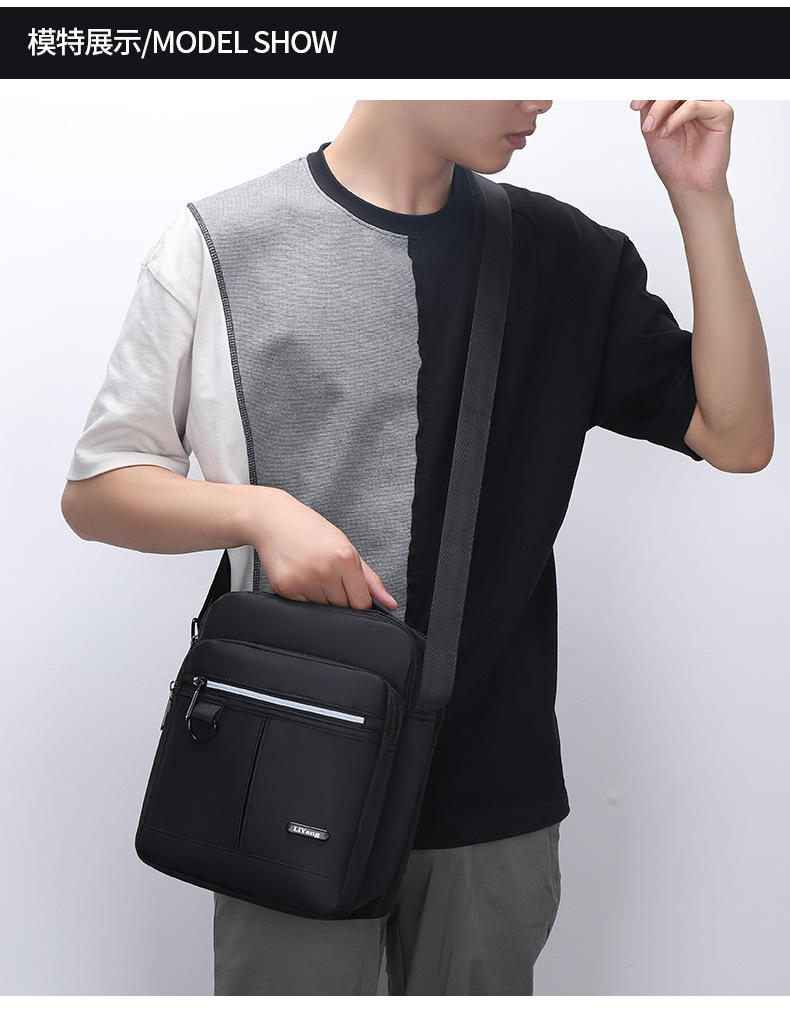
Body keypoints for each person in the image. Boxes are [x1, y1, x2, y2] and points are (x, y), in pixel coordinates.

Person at [61, 100, 773, 996]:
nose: (539, 96)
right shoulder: (222, 242)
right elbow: (98, 490)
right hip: (286, 767)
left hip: (492, 788)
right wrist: (258, 513)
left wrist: (702, 199)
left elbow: (737, 437)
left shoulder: (565, 256)